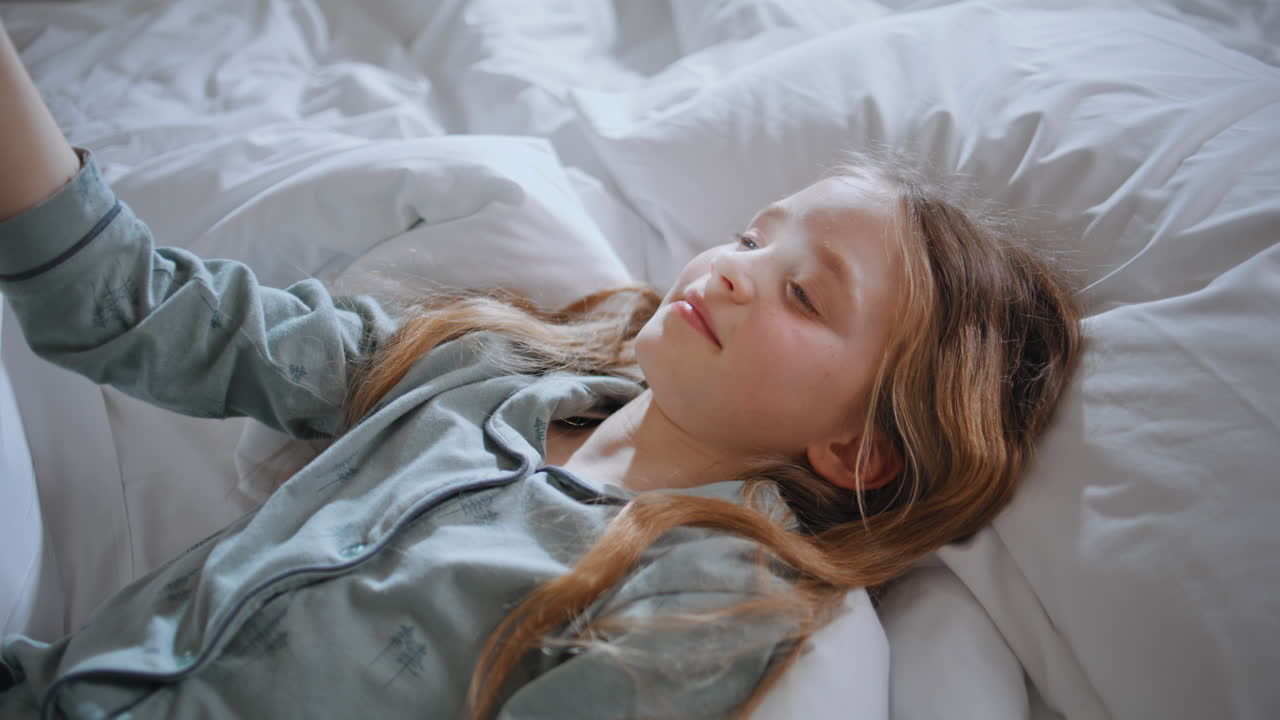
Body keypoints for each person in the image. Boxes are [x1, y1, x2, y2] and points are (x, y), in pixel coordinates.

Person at [0, 21, 1082, 720]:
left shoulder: (709, 603)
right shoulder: (482, 365)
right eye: (755, 238)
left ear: (851, 448)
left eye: (803, 293)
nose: (737, 272)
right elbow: (134, 313)